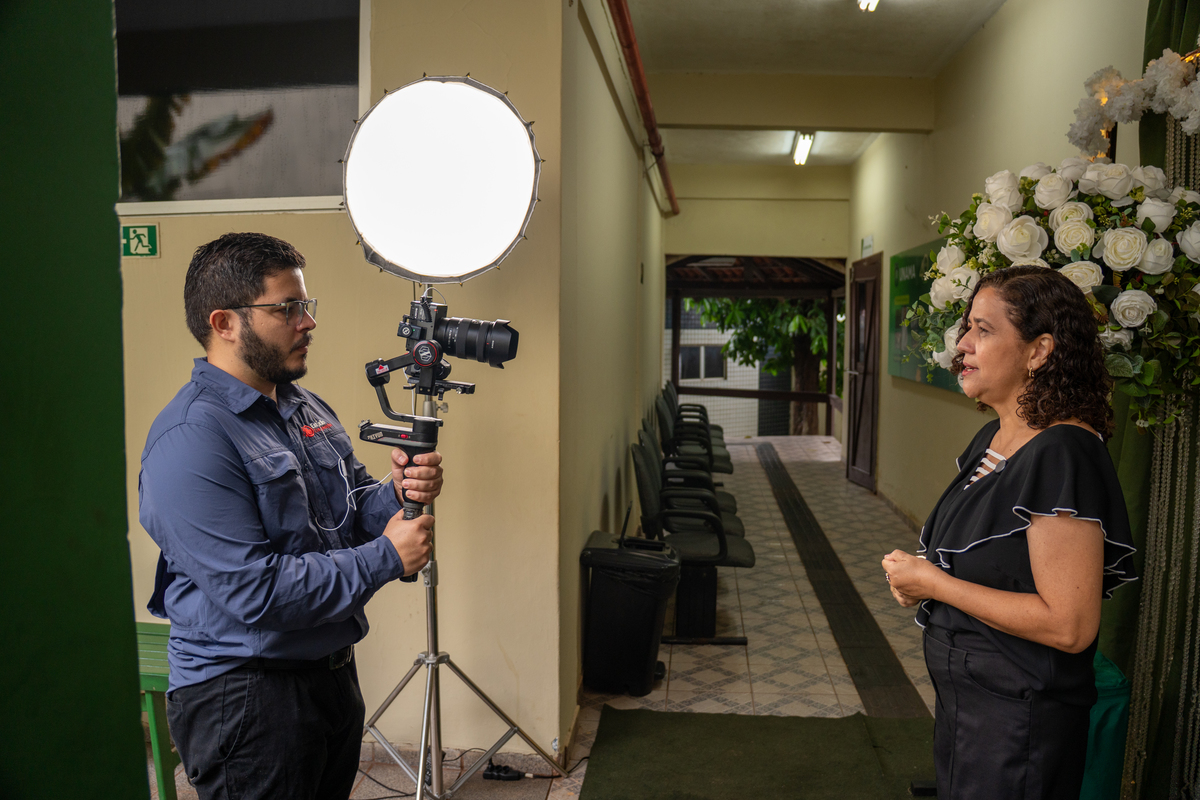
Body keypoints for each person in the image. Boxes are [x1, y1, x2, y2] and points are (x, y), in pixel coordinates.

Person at [140, 232, 442, 800]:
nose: (307, 322)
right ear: (224, 322)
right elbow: (254, 592)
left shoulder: (302, 405)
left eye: (307, 305)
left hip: (327, 676)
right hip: (246, 699)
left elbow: (347, 517)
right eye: (287, 308)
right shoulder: (192, 439)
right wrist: (387, 555)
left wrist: (396, 492)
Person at [882, 265, 1137, 800]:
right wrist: (918, 583)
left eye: (983, 329)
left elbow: (1069, 626)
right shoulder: (992, 437)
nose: (963, 344)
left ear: (1039, 350)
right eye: (966, 327)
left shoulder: (1063, 453)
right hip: (969, 706)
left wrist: (934, 585)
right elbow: (980, 563)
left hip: (1021, 721)